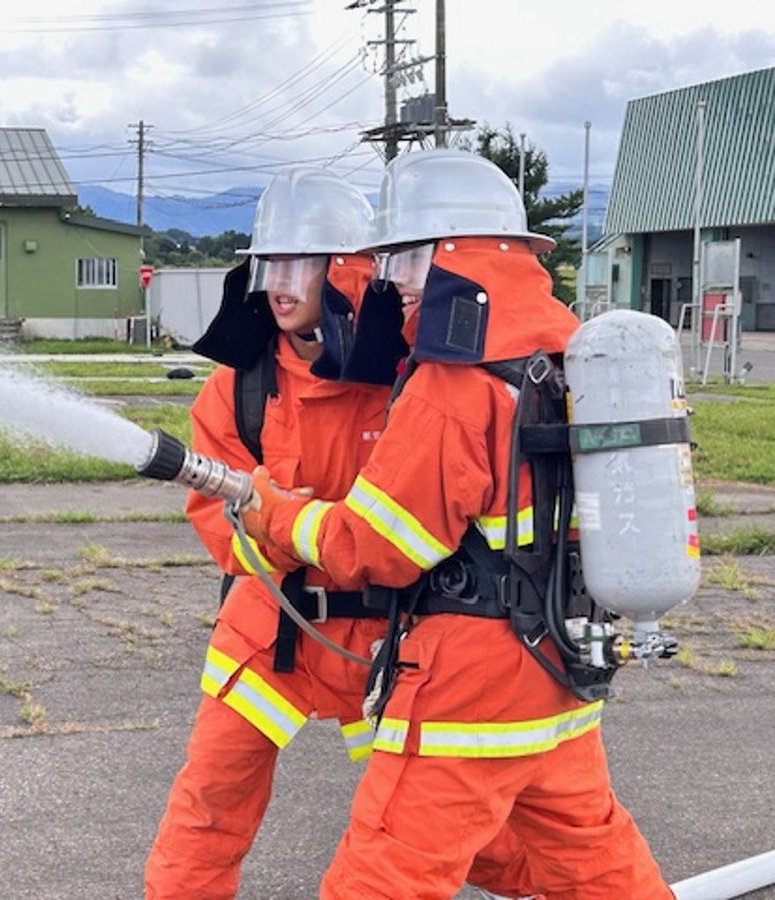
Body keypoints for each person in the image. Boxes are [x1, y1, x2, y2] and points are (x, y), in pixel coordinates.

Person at [241, 148, 674, 899]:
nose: (393, 285)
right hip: (559, 669)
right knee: (598, 866)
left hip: (468, 689)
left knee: (378, 878)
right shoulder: (564, 348)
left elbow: (374, 547)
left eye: (403, 260)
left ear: (446, 256)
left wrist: (273, 514)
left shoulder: (454, 382)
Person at [143, 167, 533, 900]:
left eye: (298, 262)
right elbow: (221, 525)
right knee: (209, 801)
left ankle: (562, 883)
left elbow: (425, 521)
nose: (278, 283)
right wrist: (290, 538)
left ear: (349, 270)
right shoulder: (237, 388)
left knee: (470, 840)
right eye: (268, 264)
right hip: (268, 623)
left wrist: (305, 526)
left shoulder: (414, 381)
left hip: (391, 637)